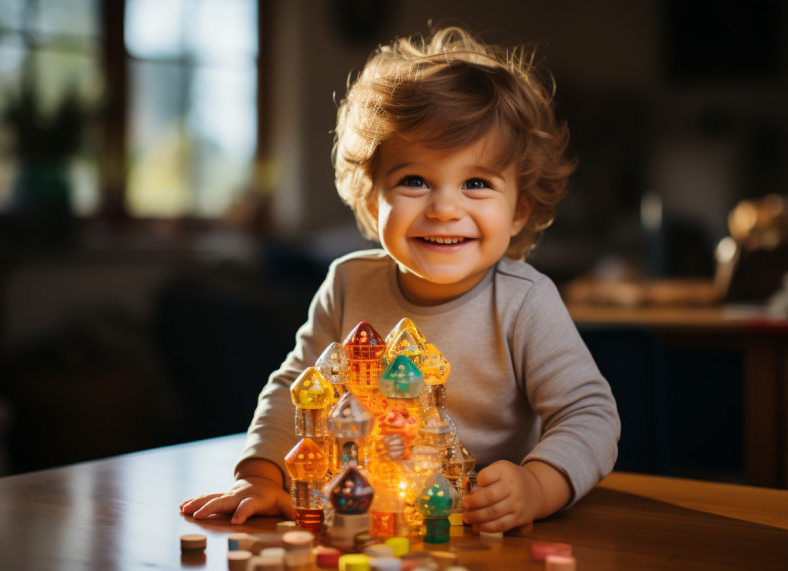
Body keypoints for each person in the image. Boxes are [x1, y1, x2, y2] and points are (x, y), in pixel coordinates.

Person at [180, 25, 620, 533]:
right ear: (372, 200)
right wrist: (260, 475)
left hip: (477, 528)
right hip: (366, 517)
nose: (445, 208)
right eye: (414, 181)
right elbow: (296, 390)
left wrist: (539, 486)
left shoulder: (525, 301)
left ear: (519, 209)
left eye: (477, 183)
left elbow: (590, 415)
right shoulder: (347, 284)